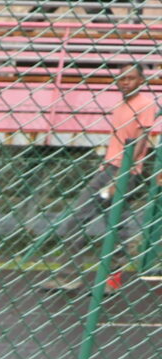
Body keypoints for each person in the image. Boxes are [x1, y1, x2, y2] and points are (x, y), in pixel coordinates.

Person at [50, 63, 156, 289]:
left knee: (114, 224)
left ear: (141, 81)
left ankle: (110, 278)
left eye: (131, 78)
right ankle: (69, 276)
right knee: (83, 219)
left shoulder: (145, 104)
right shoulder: (120, 105)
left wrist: (122, 175)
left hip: (123, 171)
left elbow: (140, 141)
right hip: (107, 168)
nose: (125, 82)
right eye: (122, 78)